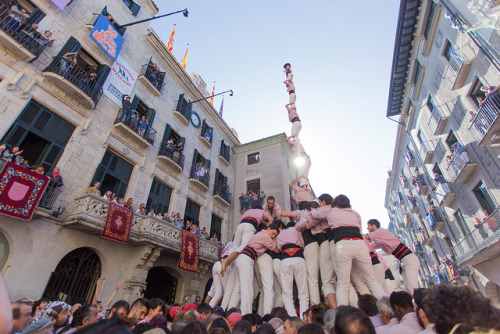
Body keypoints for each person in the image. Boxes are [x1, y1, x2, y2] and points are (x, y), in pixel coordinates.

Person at [313, 195, 385, 307]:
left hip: (343, 245)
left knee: (343, 284)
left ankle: (344, 315)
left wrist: (314, 208)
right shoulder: (355, 213)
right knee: (371, 281)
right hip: (359, 244)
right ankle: (386, 309)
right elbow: (360, 230)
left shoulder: (331, 212)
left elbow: (315, 215)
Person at [226, 224, 280, 315]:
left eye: (275, 235)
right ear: (269, 228)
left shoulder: (259, 234)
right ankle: (246, 315)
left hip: (243, 258)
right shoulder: (265, 236)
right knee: (247, 290)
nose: (273, 236)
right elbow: (276, 250)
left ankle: (230, 314)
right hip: (247, 259)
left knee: (239, 289)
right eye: (273, 233)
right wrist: (277, 240)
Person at [366, 219, 420, 294]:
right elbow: (370, 246)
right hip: (404, 260)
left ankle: (420, 303)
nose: (367, 228)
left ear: (374, 226)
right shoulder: (380, 240)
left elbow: (366, 237)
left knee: (412, 287)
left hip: (408, 259)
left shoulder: (380, 232)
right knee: (408, 289)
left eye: (368, 226)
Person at [277, 222, 309, 318]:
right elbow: (303, 246)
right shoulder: (296, 230)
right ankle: (304, 318)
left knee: (287, 295)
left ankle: (292, 319)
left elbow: (279, 249)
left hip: (285, 259)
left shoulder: (280, 234)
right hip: (299, 258)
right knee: (303, 293)